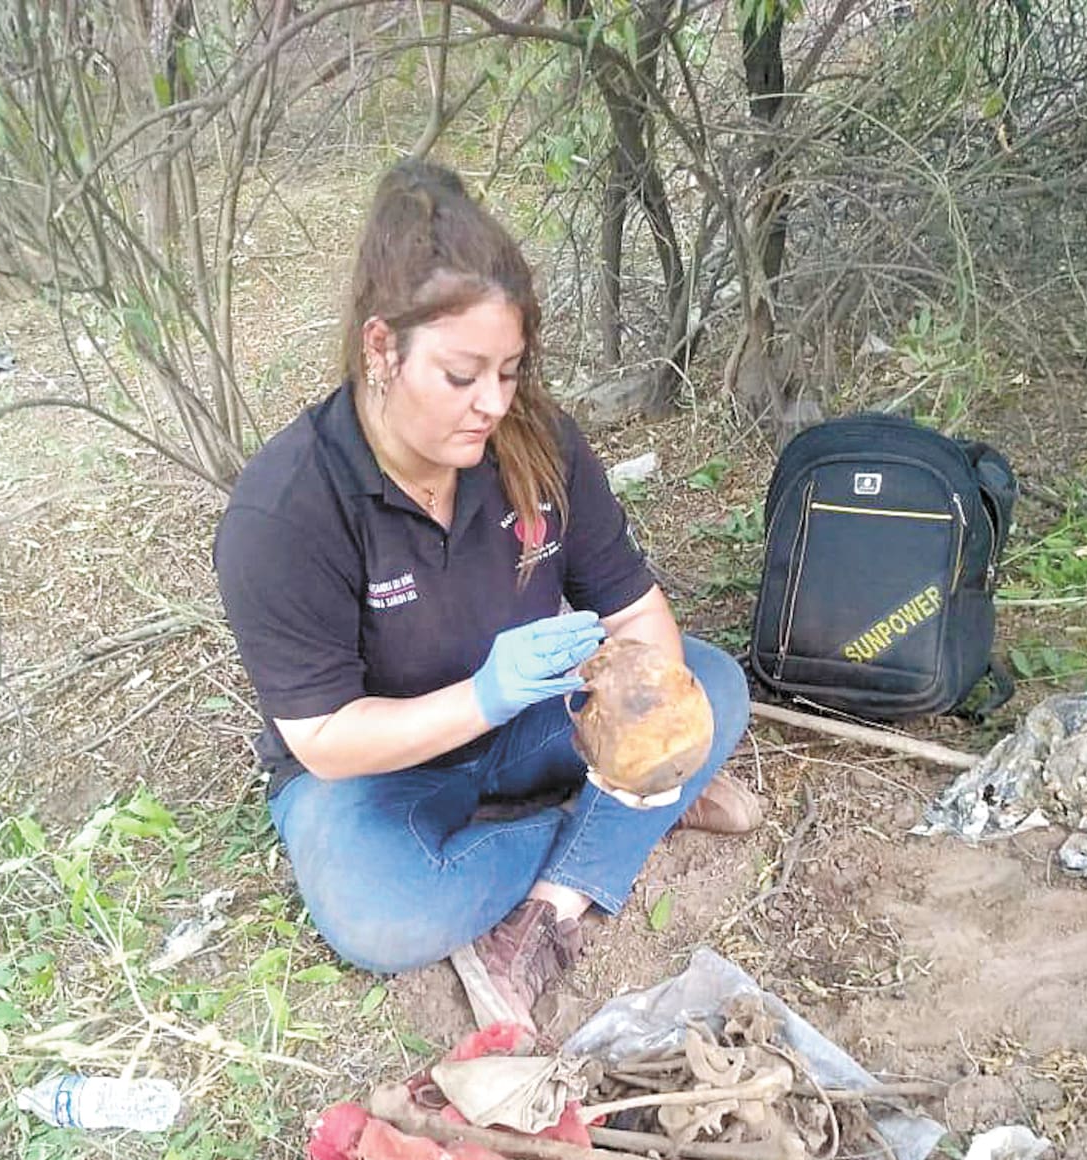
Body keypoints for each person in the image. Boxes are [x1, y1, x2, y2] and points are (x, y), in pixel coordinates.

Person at [214, 160, 759, 1036]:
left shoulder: (536, 444)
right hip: (374, 771)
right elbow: (321, 739)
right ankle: (611, 822)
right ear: (381, 348)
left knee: (711, 685)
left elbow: (632, 607)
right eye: (462, 376)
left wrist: (655, 720)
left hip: (527, 723)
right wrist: (481, 696)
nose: (491, 405)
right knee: (380, 915)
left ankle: (557, 896)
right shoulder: (287, 510)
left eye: (508, 372)